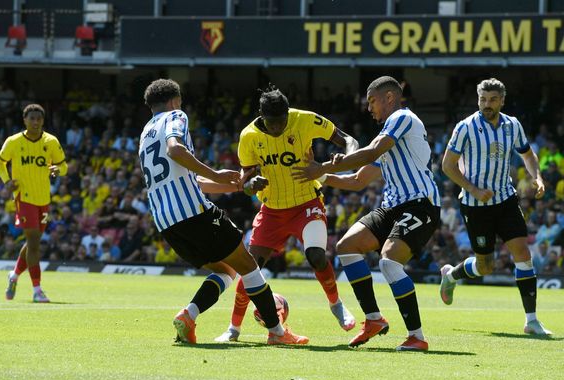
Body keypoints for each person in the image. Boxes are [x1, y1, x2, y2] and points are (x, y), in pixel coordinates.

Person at [139, 78, 308, 345]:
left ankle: (188, 316)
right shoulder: (175, 116)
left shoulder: (146, 133)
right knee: (249, 266)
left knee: (227, 270)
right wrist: (216, 173)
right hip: (193, 212)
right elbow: (175, 150)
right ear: (174, 101)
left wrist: (232, 184)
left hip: (166, 222)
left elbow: (188, 179)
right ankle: (277, 332)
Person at [293, 76, 441, 351]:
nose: (368, 108)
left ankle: (417, 337)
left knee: (389, 261)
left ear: (389, 97)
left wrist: (324, 166)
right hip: (393, 206)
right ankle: (373, 319)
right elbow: (357, 180)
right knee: (347, 246)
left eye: (372, 101)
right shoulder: (389, 135)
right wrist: (319, 175)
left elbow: (370, 152)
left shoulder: (402, 118)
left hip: (420, 204)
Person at [212, 85, 360, 343]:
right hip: (272, 210)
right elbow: (245, 181)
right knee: (250, 269)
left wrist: (345, 157)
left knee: (316, 255)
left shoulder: (305, 120)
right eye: (272, 124)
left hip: (306, 202)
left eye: (282, 122)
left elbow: (348, 140)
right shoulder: (248, 136)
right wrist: (250, 184)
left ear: (288, 114)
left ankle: (336, 305)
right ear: (262, 117)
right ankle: (233, 329)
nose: (278, 128)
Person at [440, 78, 552, 336]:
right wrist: (474, 190)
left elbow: (527, 154)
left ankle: (532, 321)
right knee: (486, 266)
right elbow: (447, 165)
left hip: (505, 199)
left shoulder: (513, 125)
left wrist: (537, 176)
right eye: (482, 99)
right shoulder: (465, 127)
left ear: (502, 100)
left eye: (492, 99)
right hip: (475, 204)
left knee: (522, 252)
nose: (486, 104)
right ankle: (452, 275)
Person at [0, 104, 68, 303]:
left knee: (32, 243)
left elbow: (64, 165)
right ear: (25, 120)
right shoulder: (14, 142)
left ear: (43, 121)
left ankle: (13, 275)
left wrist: (58, 170)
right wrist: (7, 181)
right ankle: (37, 290)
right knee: (35, 243)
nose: (35, 122)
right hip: (24, 197)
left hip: (43, 198)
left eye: (39, 118)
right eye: (32, 118)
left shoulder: (51, 141)